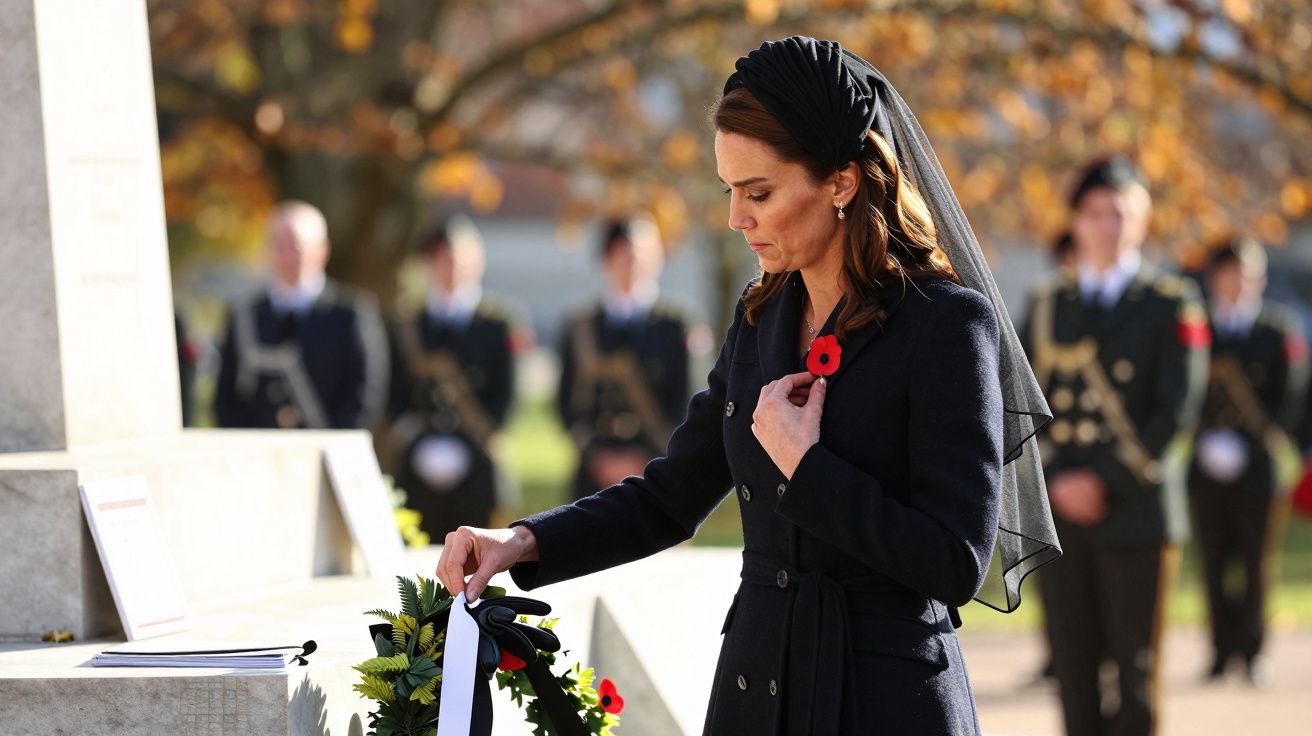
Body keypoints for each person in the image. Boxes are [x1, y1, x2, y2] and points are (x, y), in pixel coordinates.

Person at [437, 37, 1059, 734]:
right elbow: (670, 498)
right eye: (730, 191)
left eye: (759, 192)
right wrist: (520, 541)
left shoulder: (945, 325)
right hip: (755, 691)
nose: (737, 218)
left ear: (842, 183)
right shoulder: (760, 316)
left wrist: (808, 466)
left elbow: (955, 562)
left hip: (885, 702)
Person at [1023, 156, 1210, 736]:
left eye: (1120, 213)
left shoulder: (1173, 301)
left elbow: (1175, 412)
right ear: (1076, 221)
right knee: (1074, 668)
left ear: (1143, 220)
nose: (1107, 225)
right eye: (1095, 213)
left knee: (1134, 670)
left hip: (1136, 508)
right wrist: (1057, 481)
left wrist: (1102, 480)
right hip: (1061, 510)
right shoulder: (1050, 302)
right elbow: (1024, 403)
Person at [1189, 237, 1308, 686]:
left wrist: (1251, 444)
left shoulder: (1278, 329)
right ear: (1217, 276)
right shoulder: (1198, 326)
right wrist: (1204, 439)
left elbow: (1290, 398)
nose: (1242, 282)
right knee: (1214, 559)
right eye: (1233, 271)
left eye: (1250, 273)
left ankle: (1254, 650)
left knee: (1256, 563)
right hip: (1205, 461)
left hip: (1257, 465)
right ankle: (1220, 651)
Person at [388, 217, 521, 538]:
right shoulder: (410, 322)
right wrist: (418, 440)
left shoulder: (497, 322)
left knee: (481, 549)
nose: (453, 268)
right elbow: (394, 393)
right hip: (420, 454)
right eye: (444, 259)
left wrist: (474, 440)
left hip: (476, 452)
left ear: (478, 262)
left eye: (461, 259)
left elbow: (506, 394)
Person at [215, 200, 388, 430]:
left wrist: (334, 443)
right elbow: (226, 397)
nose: (288, 256)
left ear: (322, 251)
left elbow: (367, 394)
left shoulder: (351, 314)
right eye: (280, 245)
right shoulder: (245, 315)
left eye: (297, 246)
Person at [556, 218, 690, 500]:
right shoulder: (582, 326)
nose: (633, 264)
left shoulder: (676, 325)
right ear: (606, 259)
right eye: (625, 255)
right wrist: (598, 456)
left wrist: (648, 456)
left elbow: (687, 399)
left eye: (644, 255)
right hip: (594, 470)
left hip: (656, 467)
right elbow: (566, 402)